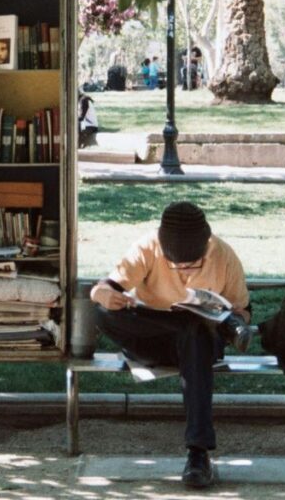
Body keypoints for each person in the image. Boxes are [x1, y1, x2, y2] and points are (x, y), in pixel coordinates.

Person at [90, 201, 251, 489]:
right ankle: (187, 326)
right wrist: (102, 294)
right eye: (177, 264)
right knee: (101, 313)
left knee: (194, 330)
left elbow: (243, 309)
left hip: (201, 341)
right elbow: (106, 288)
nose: (185, 270)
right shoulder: (147, 247)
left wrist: (232, 321)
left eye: (193, 263)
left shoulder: (224, 255)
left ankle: (198, 454)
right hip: (153, 338)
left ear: (207, 244)